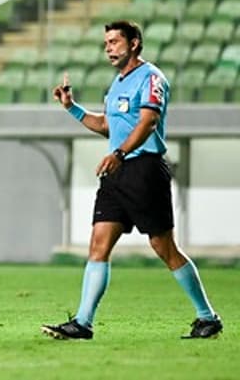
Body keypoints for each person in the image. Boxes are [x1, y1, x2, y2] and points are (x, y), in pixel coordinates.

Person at [41, 20, 222, 340]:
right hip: (117, 172)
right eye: (106, 43)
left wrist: (120, 154)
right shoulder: (118, 84)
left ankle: (207, 316)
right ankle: (83, 322)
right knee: (99, 243)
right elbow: (108, 125)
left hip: (144, 169)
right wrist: (72, 108)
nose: (108, 48)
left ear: (134, 43)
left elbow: (149, 122)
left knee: (163, 245)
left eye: (114, 42)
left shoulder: (151, 78)